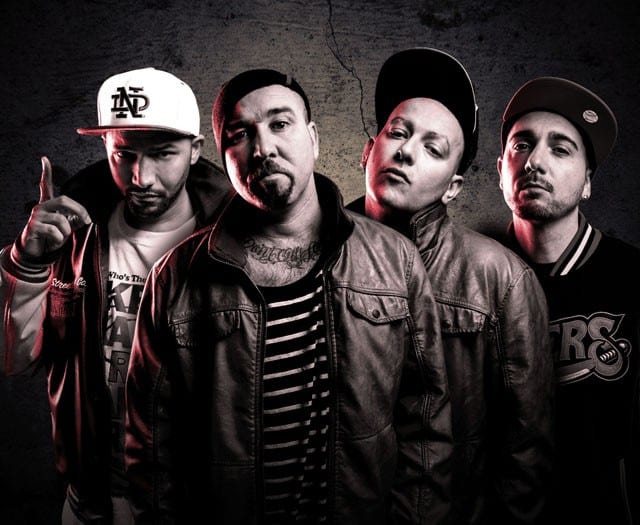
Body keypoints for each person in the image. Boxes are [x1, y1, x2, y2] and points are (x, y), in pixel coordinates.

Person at [125, 68, 452, 524]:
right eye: (241, 135)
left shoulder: (394, 260)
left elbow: (427, 422)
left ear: (313, 138)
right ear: (224, 157)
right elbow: (153, 449)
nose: (263, 148)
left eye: (280, 124)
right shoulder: (176, 279)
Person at [0, 67, 232, 524]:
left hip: (192, 505)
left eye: (162, 154)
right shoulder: (72, 234)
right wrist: (26, 264)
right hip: (90, 501)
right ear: (106, 145)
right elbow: (11, 360)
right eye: (124, 153)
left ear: (195, 150)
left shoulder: (231, 241)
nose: (140, 176)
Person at [348, 48, 555, 524]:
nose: (406, 151)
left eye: (433, 148)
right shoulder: (317, 258)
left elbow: (527, 452)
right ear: (367, 150)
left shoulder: (500, 279)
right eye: (397, 133)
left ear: (453, 187)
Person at [497, 77, 639, 524]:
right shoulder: (470, 282)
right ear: (500, 169)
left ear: (588, 183)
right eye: (522, 145)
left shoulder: (632, 278)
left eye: (560, 149)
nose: (535, 161)